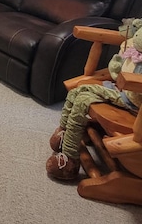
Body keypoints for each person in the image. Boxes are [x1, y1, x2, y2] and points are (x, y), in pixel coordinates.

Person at [46, 18, 142, 180]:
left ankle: (69, 158)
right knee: (78, 91)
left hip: (135, 101)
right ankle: (64, 132)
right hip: (124, 88)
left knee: (83, 98)